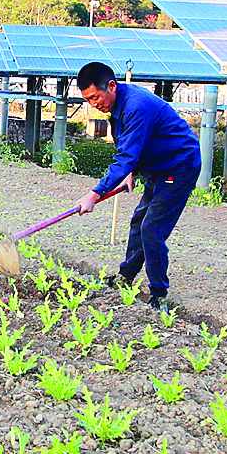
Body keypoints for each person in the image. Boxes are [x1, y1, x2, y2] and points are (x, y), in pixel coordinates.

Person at [72, 61, 201, 308]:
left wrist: (94, 194)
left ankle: (159, 294)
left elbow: (125, 156)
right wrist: (130, 171)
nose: (94, 104)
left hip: (178, 166)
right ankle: (125, 277)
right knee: (139, 221)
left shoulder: (136, 106)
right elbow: (131, 145)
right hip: (158, 165)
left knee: (152, 228)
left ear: (111, 85)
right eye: (88, 100)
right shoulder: (118, 105)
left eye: (96, 97)